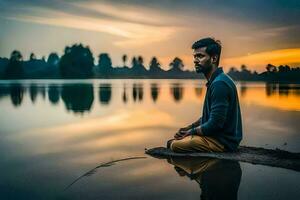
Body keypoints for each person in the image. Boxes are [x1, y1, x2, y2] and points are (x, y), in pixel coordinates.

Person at [167, 37, 243, 152]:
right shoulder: (216, 80)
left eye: (200, 56)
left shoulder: (219, 84)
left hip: (222, 142)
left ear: (213, 58)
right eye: (195, 56)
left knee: (174, 145)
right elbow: (210, 117)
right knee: (174, 142)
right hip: (215, 137)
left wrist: (191, 132)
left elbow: (215, 124)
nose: (195, 60)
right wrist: (189, 128)